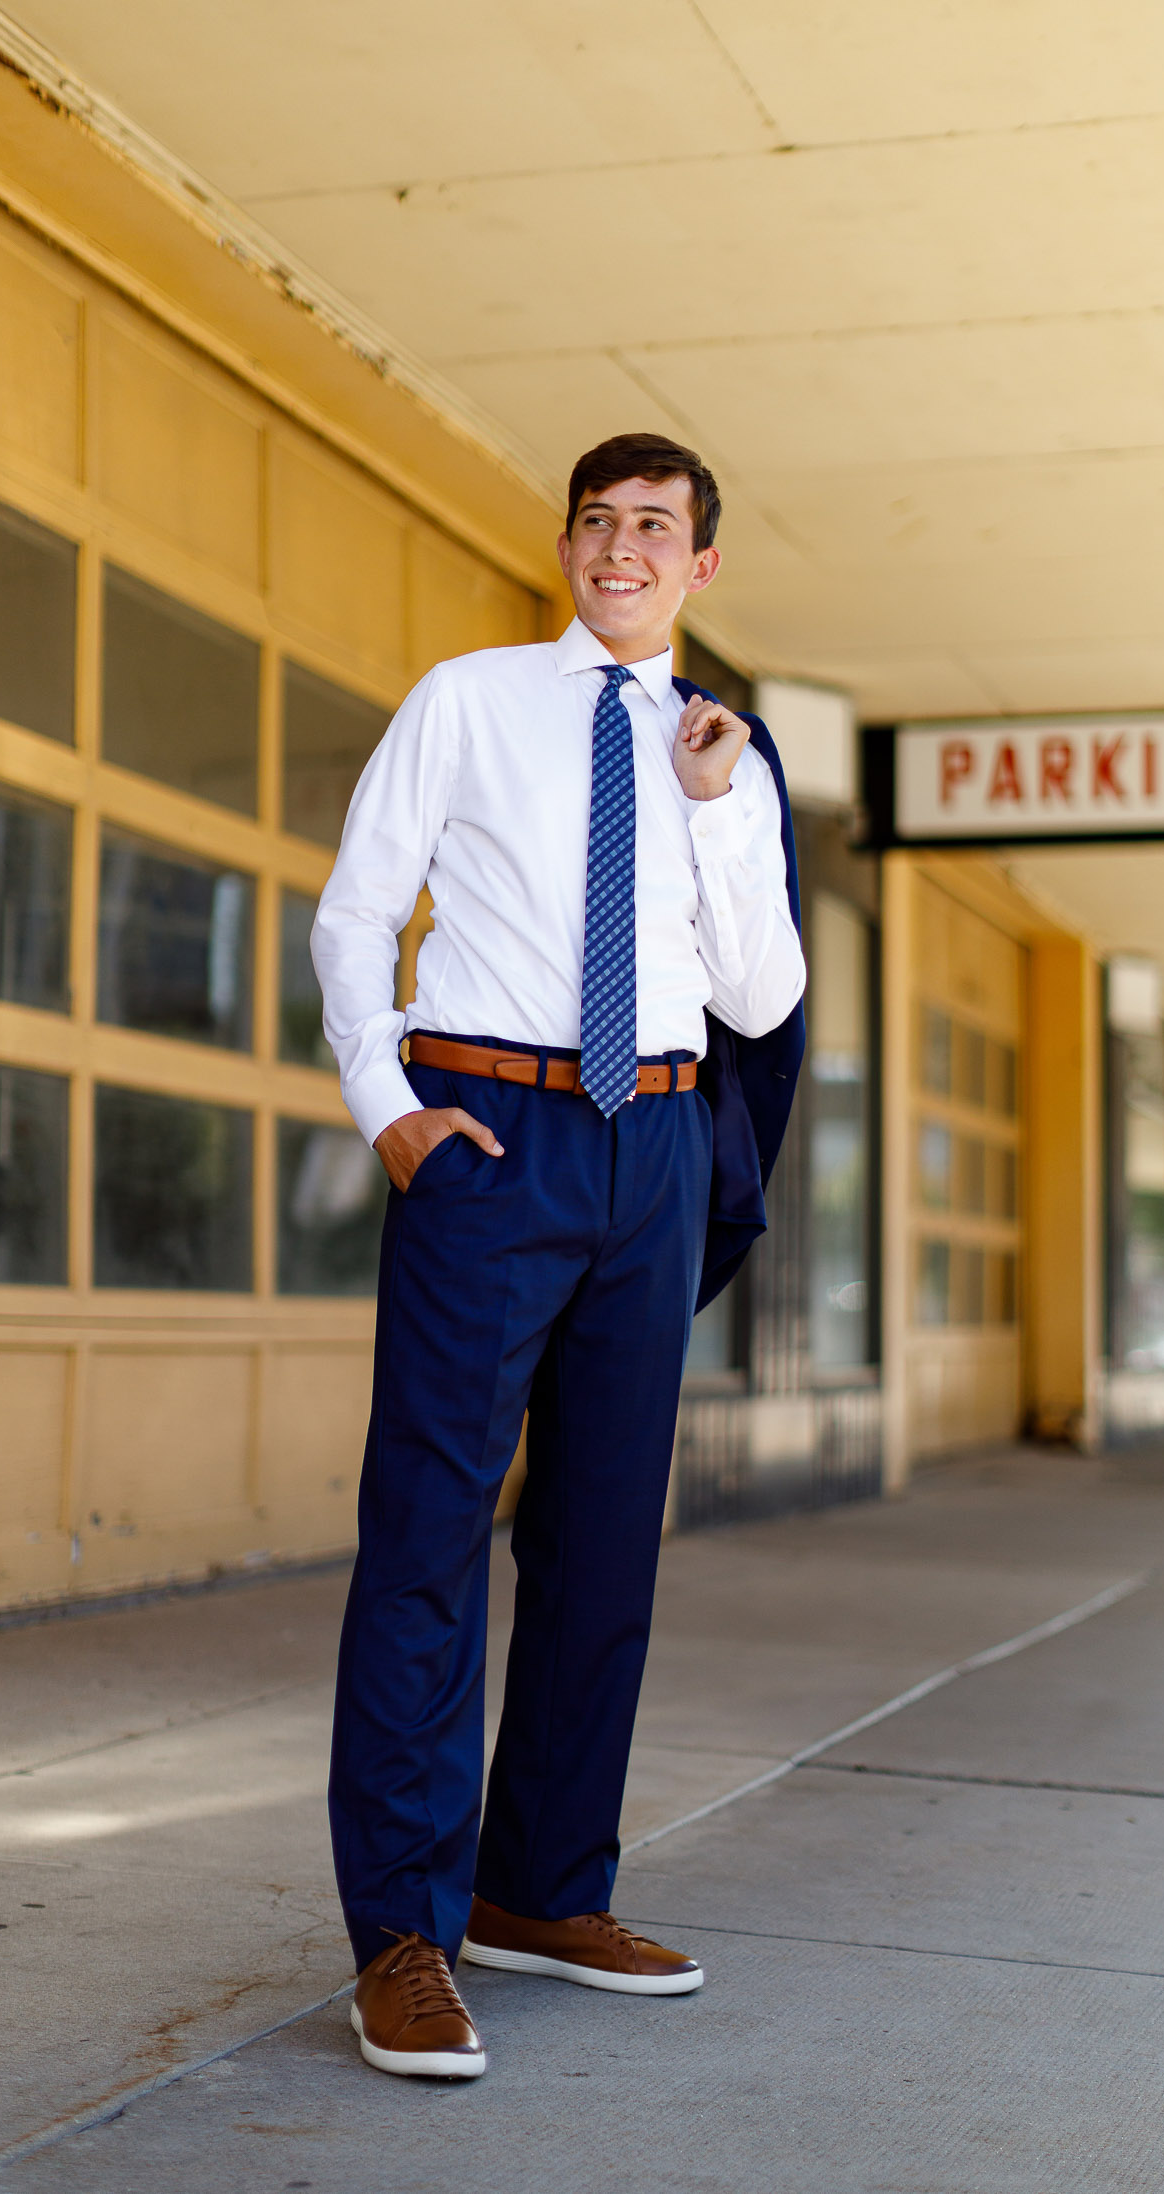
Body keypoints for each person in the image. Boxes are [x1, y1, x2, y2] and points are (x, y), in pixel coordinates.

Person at [312, 431, 807, 2080]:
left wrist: (719, 806)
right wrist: (389, 1104)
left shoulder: (724, 753)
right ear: (571, 545)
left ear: (701, 566)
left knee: (604, 1544)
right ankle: (402, 1930)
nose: (620, 548)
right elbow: (353, 910)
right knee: (431, 1528)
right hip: (489, 1133)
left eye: (654, 528)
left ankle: (543, 1887)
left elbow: (757, 996)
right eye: (598, 522)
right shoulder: (469, 696)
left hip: (654, 1145)